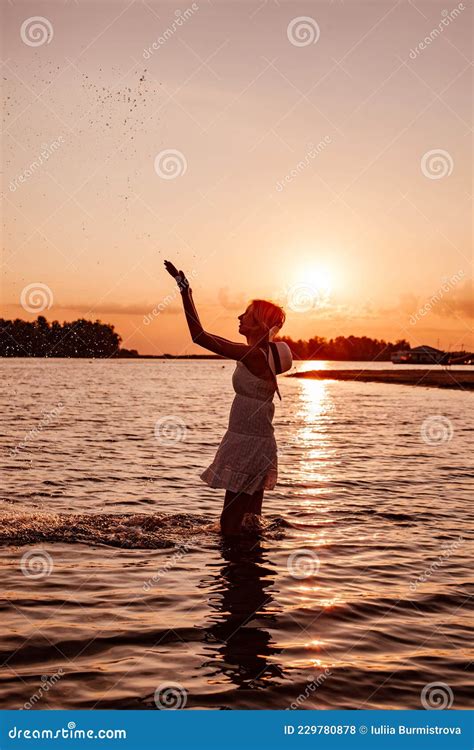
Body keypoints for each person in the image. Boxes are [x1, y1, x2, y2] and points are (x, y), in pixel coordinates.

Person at [164, 260, 292, 536]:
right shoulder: (261, 355)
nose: (239, 318)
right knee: (249, 525)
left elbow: (199, 336)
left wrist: (185, 291)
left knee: (230, 525)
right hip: (257, 442)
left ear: (257, 324)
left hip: (247, 444)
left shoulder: (253, 355)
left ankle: (236, 571)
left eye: (246, 315)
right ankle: (248, 570)